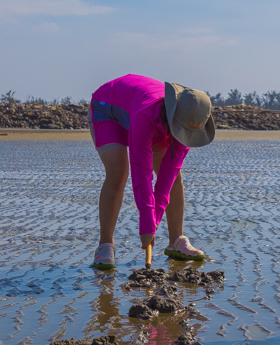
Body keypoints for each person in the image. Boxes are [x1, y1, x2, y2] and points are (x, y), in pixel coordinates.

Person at [89, 74, 215, 269]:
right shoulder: (146, 116)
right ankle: (105, 245)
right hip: (108, 109)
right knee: (118, 171)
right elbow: (142, 173)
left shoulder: (190, 121)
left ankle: (176, 241)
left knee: (174, 178)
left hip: (150, 117)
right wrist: (146, 225)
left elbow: (167, 176)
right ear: (174, 114)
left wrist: (153, 221)